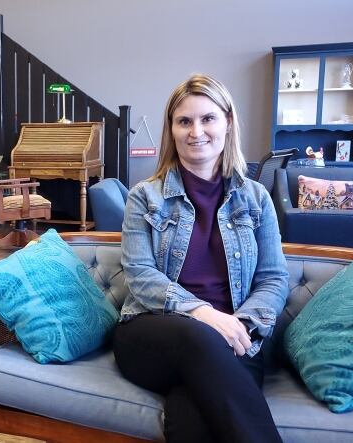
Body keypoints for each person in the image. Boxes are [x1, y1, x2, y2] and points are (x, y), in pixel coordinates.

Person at [113, 74, 288, 443]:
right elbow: (140, 276)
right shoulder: (145, 197)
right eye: (184, 121)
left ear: (227, 122)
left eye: (208, 118)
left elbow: (273, 279)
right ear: (172, 130)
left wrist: (241, 323)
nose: (196, 131)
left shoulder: (256, 197)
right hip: (152, 333)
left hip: (237, 338)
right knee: (199, 339)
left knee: (194, 415)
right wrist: (204, 314)